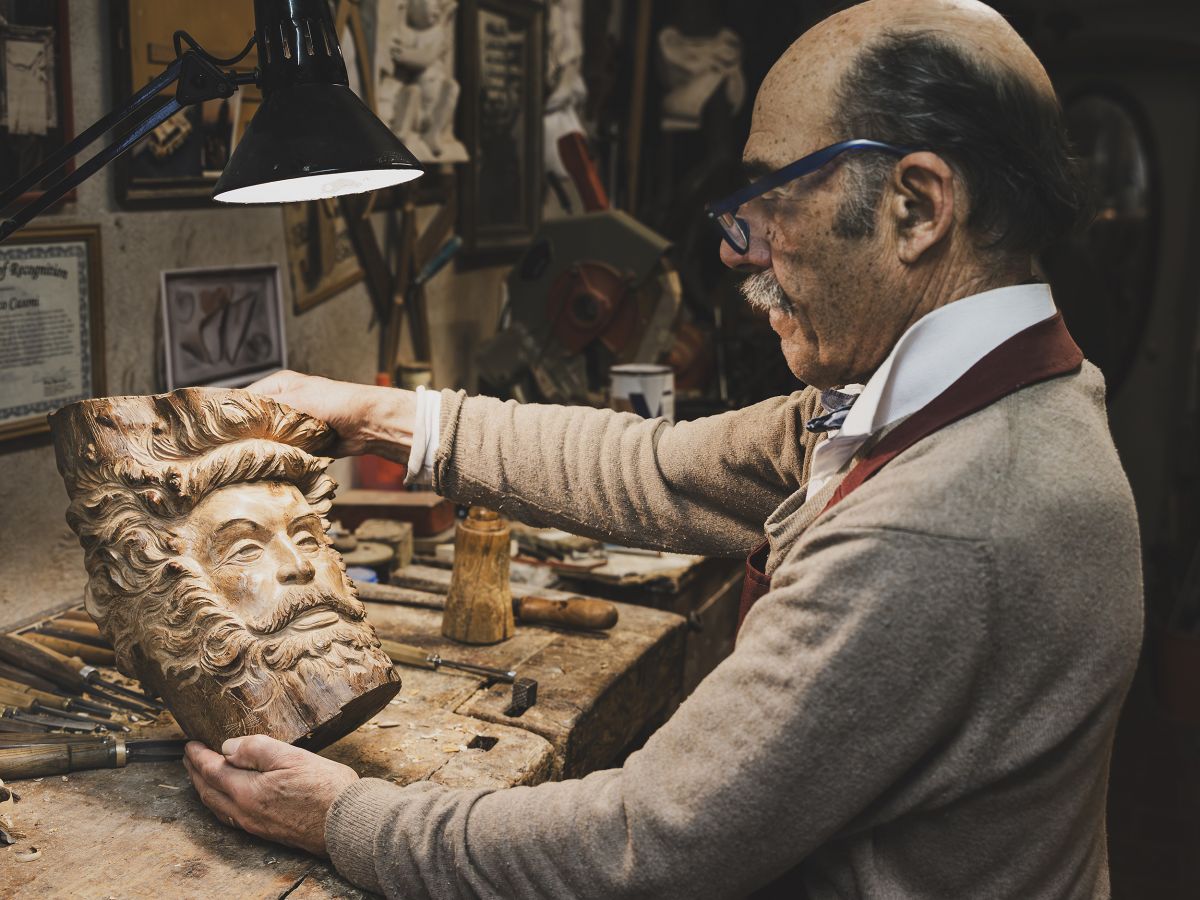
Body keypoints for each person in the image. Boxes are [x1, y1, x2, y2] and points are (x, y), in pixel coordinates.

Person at [183, 0, 1144, 896]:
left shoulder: (941, 517)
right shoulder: (962, 401)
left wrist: (346, 818)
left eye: (773, 197)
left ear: (919, 207)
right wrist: (377, 415)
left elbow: (650, 841)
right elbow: (654, 470)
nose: (738, 247)